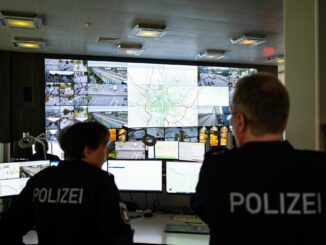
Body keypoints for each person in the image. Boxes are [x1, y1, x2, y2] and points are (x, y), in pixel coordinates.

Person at [191, 73, 326, 245]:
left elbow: (204, 210)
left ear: (240, 121)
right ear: (283, 120)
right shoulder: (320, 168)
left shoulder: (216, 169)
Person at [0, 122, 133, 245]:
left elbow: (7, 229)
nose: (105, 155)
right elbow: (120, 237)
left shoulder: (40, 179)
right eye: (104, 148)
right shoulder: (101, 182)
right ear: (88, 151)